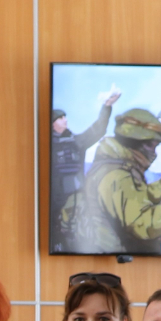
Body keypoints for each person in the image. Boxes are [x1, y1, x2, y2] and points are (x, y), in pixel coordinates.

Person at [66, 108, 161, 255]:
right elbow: (144, 225)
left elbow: (141, 196)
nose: (154, 152)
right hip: (120, 260)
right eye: (152, 145)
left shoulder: (118, 166)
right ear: (135, 143)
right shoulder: (116, 176)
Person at [49, 92, 118, 239]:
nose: (65, 120)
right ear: (52, 122)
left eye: (65, 117)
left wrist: (107, 106)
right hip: (55, 202)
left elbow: (98, 129)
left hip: (78, 199)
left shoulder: (76, 141)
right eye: (61, 118)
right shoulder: (47, 145)